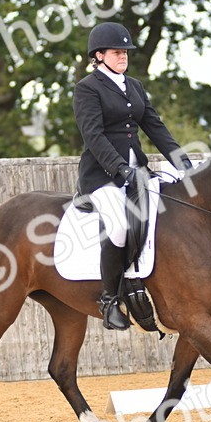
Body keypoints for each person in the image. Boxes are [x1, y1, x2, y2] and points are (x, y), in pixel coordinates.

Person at [73, 21, 193, 331]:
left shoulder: (135, 86)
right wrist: (119, 167)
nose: (123, 56)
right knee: (117, 227)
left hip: (137, 172)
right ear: (99, 55)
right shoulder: (87, 88)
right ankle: (110, 300)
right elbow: (93, 135)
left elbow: (154, 126)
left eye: (125, 52)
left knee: (169, 215)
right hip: (102, 176)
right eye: (117, 52)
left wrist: (183, 162)